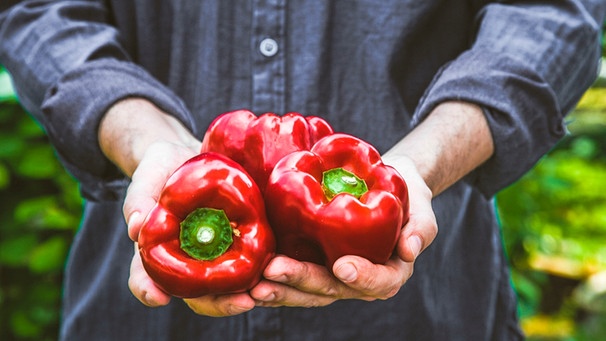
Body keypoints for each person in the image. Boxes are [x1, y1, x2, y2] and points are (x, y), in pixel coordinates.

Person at [1, 1, 604, 340]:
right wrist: (142, 134)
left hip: (425, 314)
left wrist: (419, 164)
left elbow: (551, 15)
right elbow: (42, 14)